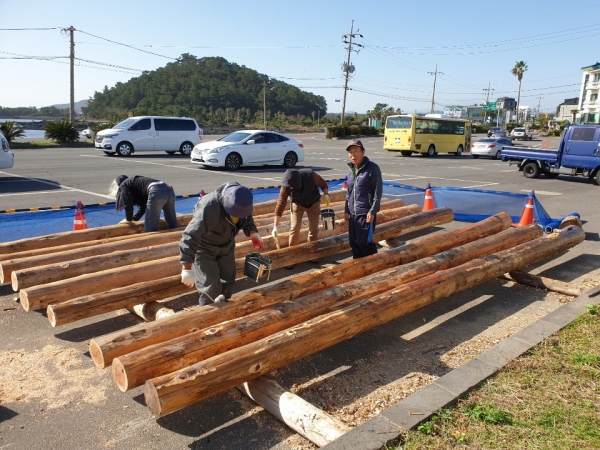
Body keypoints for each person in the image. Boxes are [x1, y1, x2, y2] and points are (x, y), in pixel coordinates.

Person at [179, 182, 264, 306]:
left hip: (227, 244)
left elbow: (247, 216)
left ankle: (224, 310)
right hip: (204, 247)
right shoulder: (209, 207)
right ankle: (209, 316)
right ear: (227, 203)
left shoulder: (242, 199)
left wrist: (252, 232)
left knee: (228, 280)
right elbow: (190, 235)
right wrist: (186, 268)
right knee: (210, 286)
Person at [344, 139, 383, 259]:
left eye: (356, 151)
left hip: (366, 213)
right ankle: (359, 268)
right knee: (354, 242)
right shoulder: (351, 170)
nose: (353, 155)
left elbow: (378, 191)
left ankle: (373, 268)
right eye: (350, 152)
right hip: (353, 213)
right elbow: (349, 191)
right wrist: (346, 209)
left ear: (363, 152)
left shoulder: (372, 168)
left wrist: (373, 211)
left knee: (364, 242)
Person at [109, 175, 178, 232]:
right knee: (172, 222)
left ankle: (151, 244)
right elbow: (143, 207)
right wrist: (134, 219)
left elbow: (128, 206)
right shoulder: (135, 183)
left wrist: (128, 219)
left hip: (156, 191)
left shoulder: (124, 185)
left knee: (151, 226)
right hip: (169, 190)